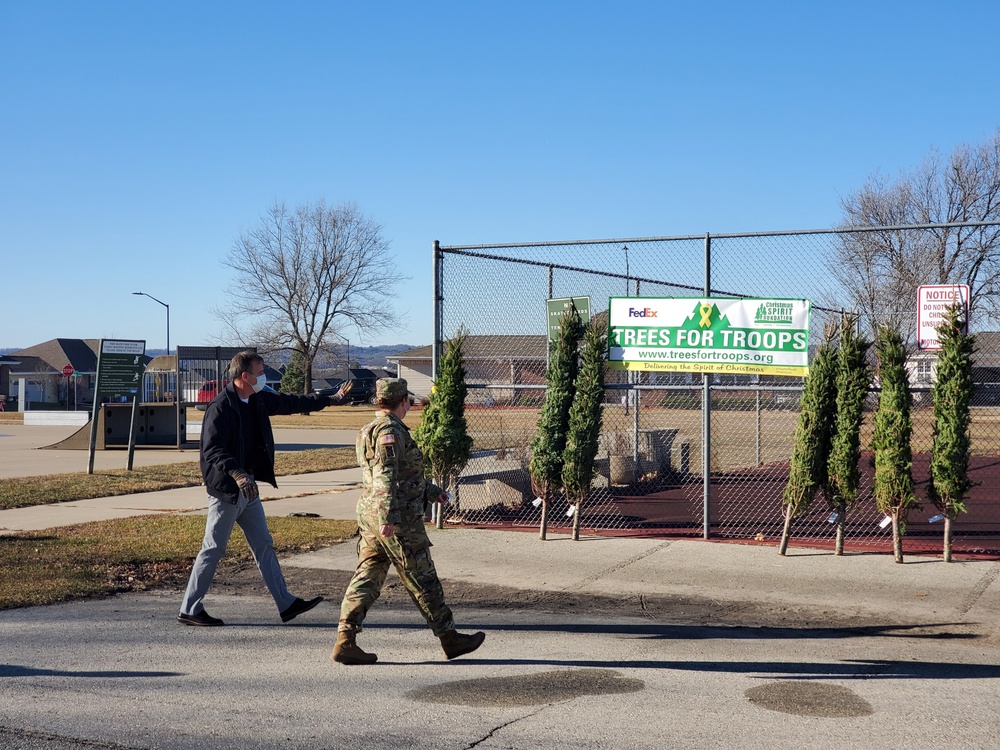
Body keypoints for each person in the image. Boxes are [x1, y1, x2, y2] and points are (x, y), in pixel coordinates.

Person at [178, 350, 351, 627]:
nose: (264, 378)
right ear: (244, 376)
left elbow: (290, 401)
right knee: (213, 549)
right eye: (260, 373)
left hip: (249, 489)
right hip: (227, 490)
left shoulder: (257, 399)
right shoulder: (220, 407)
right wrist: (237, 473)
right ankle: (189, 608)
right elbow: (212, 449)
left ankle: (286, 603)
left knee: (264, 546)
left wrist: (330, 400)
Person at [331, 378, 485, 664]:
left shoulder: (369, 429)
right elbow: (385, 476)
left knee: (368, 576)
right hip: (396, 520)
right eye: (408, 401)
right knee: (423, 577)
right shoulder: (391, 432)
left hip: (372, 517)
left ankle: (345, 639)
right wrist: (389, 516)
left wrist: (431, 491)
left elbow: (403, 474)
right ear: (403, 402)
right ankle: (450, 638)